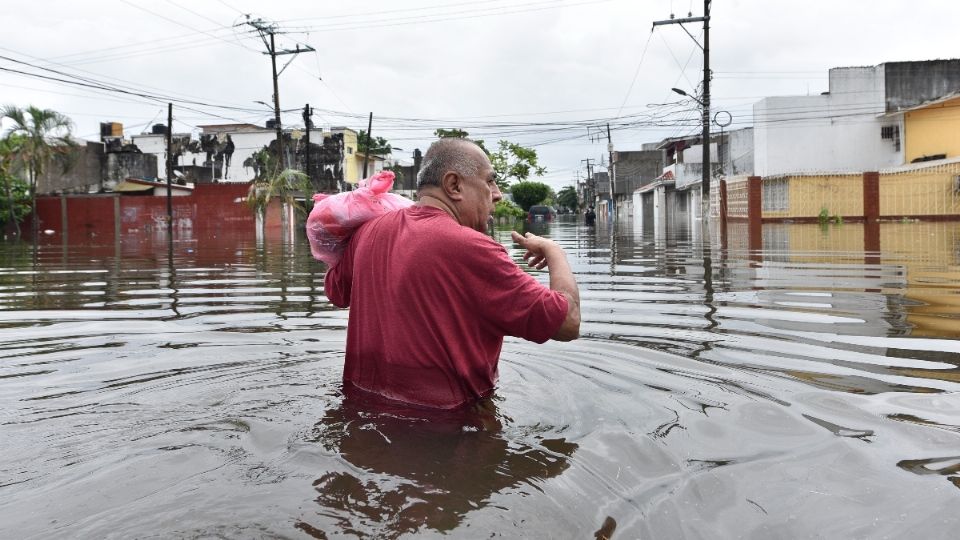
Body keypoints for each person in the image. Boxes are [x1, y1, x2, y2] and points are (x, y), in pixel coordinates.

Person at [324, 138, 580, 409]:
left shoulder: (367, 232)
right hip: (448, 431)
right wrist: (555, 253)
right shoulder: (473, 248)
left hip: (362, 418)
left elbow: (336, 292)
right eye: (489, 182)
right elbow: (568, 322)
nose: (497, 194)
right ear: (454, 185)